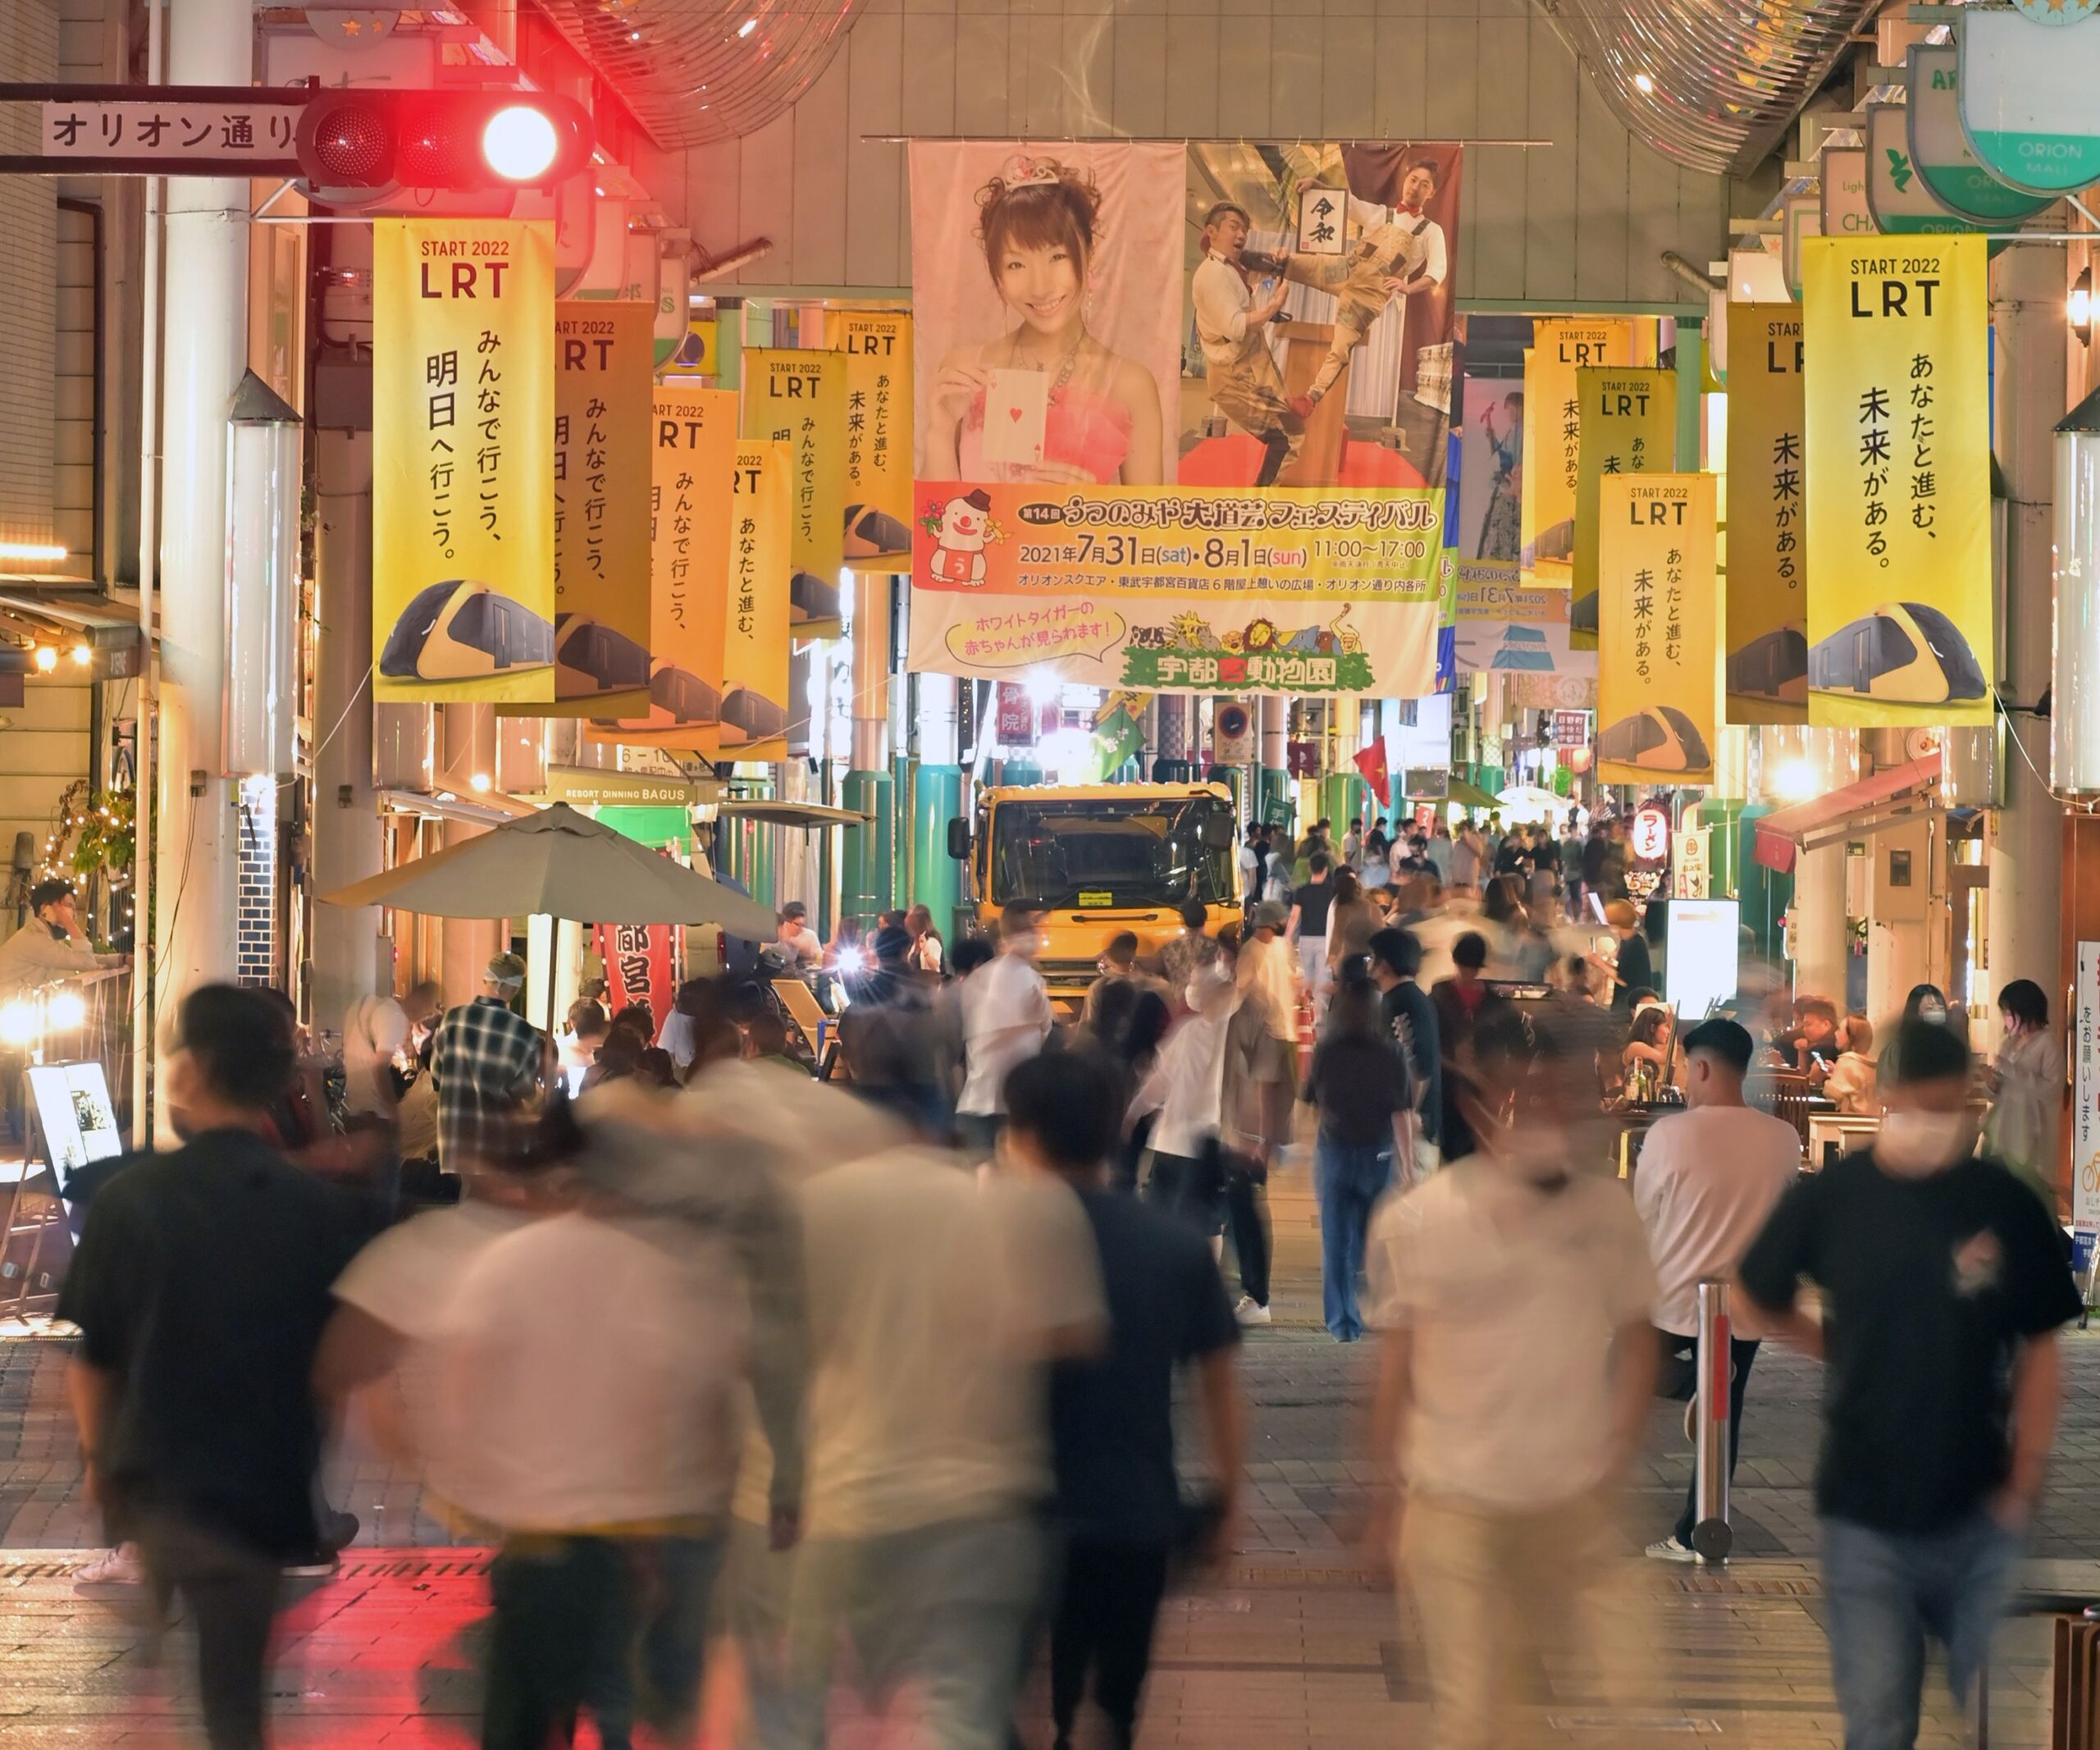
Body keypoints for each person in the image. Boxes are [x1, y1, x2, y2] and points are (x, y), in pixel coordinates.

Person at [1740, 1019, 2081, 1750]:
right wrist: (1831, 1343)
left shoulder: (2004, 1202)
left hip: (1978, 1504)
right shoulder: (1838, 1195)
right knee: (1879, 1718)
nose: (1934, 1123)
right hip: (1864, 1504)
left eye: (1950, 1107)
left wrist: (2023, 1479)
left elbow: (2042, 1344)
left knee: (1993, 1717)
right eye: (1920, 1105)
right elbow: (1754, 1292)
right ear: (1885, 1095)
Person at [61, 985, 361, 1750]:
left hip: (159, 1483)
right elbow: (342, 1355)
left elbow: (92, 1358)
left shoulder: (129, 1198)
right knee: (233, 1700)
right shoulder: (315, 1208)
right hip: (260, 1495)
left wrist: (99, 1461)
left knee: (146, 1681)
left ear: (190, 1071)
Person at [1366, 1006, 1657, 1750]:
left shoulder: (1605, 1212)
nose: (1549, 1115)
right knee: (1475, 1709)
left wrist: (1616, 1450)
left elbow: (1636, 1335)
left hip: (1569, 1499)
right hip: (1454, 1502)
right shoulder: (1421, 1218)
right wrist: (1381, 1496)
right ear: (1480, 1106)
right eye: (1527, 1098)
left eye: (1564, 1097)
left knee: (1627, 1692)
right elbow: (1394, 1367)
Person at [778, 1124, 1107, 1750]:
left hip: (849, 1501)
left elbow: (775, 1349)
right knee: (959, 1709)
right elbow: (1076, 1335)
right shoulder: (1031, 1206)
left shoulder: (821, 1200)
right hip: (981, 1507)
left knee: (813, 1711)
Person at [1006, 1051, 1244, 1750]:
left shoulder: (991, 1237)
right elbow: (1219, 1382)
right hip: (1134, 1508)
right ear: (1116, 1127)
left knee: (1005, 1689)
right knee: (1114, 1698)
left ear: (1020, 1135)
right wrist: (1229, 1499)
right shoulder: (1173, 1245)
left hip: (1015, 1509)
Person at [1631, 1018, 1802, 1563]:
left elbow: (1644, 1213)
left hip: (1675, 1296)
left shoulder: (1668, 1134)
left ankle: (1693, 1386)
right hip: (1746, 1303)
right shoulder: (1783, 1138)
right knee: (1724, 1418)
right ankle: (1694, 1534)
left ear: (1700, 1067)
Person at [925, 153, 1165, 486]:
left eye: (1057, 257)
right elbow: (935, 523)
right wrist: (938, 432)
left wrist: (1093, 510)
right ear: (997, 274)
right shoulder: (965, 372)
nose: (1040, 287)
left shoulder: (1131, 386)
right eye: (1016, 265)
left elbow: (1148, 532)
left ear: (1089, 253)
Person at [1134, 959, 1291, 1323]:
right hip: (1199, 1139)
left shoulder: (1220, 1031)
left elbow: (1161, 1081)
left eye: (1195, 984)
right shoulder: (1202, 1030)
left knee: (1196, 1220)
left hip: (1202, 1141)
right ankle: (1200, 1292)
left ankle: (1201, 1293)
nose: (1190, 991)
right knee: (1208, 1222)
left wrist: (1135, 1110)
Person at [1252, 156, 1449, 417]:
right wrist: (1317, 185)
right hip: (1344, 270)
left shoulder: (1430, 231)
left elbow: (1438, 271)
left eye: (1424, 185)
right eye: (1413, 180)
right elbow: (1348, 204)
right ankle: (1242, 262)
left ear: (1431, 193)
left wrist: (1407, 287)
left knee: (1340, 348)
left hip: (1368, 297)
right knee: (1288, 261)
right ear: (1405, 181)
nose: (1416, 187)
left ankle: (1310, 399)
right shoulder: (1382, 213)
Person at [1304, 970, 1413, 1342]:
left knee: (1335, 1242)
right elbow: (1401, 1112)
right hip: (1378, 1154)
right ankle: (1368, 1310)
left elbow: (1312, 1102)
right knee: (1370, 1241)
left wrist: (1310, 1149)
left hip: (1334, 1150)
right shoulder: (1392, 1051)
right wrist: (1409, 1166)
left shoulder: (1327, 1049)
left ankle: (1342, 1324)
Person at [1189, 202, 1303, 486]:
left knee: (1289, 433)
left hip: (1248, 369)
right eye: (1233, 227)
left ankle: (1262, 499)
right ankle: (1260, 503)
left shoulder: (1231, 268)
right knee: (1289, 438)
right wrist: (1274, 304)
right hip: (1234, 376)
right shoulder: (1213, 274)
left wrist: (1277, 259)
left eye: (1244, 229)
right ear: (1212, 232)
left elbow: (1256, 271)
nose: (1241, 234)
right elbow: (1236, 327)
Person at [430, 953, 547, 1174]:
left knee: (468, 1199)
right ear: (515, 988)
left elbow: (437, 1074)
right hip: (499, 1141)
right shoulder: (522, 1032)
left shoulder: (453, 1018)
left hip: (456, 1137)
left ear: (486, 980)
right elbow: (523, 1089)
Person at [954, 903, 1052, 1159]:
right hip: (1003, 1107)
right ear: (1008, 935)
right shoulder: (1021, 979)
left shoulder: (987, 978)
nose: (1034, 935)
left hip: (990, 1102)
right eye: (1027, 929)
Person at [1984, 978, 2066, 1212]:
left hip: (2025, 1130)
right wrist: (1992, 1084)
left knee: (2029, 1188)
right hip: (1998, 1127)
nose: (2006, 1018)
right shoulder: (2009, 1043)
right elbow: (1996, 1092)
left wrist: (2011, 1071)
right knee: (1994, 1189)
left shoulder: (2047, 1044)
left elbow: (2051, 1091)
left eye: (2009, 1012)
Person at [1367, 927, 1441, 1177]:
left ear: (1384, 965)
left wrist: (1409, 1115)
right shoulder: (1411, 998)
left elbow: (1418, 1065)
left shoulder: (1402, 1002)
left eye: (1372, 958)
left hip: (1413, 1134)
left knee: (1408, 1208)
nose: (1369, 964)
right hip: (1406, 1129)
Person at [1430, 932, 1504, 1163]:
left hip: (1477, 1090)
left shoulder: (1492, 1003)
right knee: (1453, 1153)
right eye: (1465, 966)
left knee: (1476, 1155)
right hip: (1450, 1088)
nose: (1467, 973)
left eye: (1471, 967)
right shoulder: (1440, 996)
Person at [0, 875, 127, 995]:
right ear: (45, 909)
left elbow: (81, 958)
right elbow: (87, 963)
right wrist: (69, 923)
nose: (74, 913)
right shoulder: (34, 939)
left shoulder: (43, 936)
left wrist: (122, 959)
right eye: (69, 906)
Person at [1285, 852, 1336, 1021]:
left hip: (1305, 939)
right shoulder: (1332, 891)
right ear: (1326, 869)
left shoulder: (1301, 891)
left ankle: (1306, 1012)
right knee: (1322, 977)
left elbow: (1294, 917)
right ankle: (1319, 1015)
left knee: (1308, 977)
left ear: (1310, 869)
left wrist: (1287, 937)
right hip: (1325, 940)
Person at [1474, 389, 1523, 561]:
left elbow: (1512, 457)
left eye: (1512, 409)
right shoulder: (1513, 431)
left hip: (1514, 487)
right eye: (1508, 409)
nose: (1509, 413)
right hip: (1505, 485)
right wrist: (1492, 438)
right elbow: (1502, 452)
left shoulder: (1522, 431)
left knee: (1507, 532)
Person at [1324, 866, 1377, 984]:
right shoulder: (1363, 905)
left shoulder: (1337, 905)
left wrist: (1332, 959)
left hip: (1349, 960)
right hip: (1357, 959)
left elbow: (1335, 937)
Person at [1156, 898, 1218, 994]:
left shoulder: (1169, 948)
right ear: (1205, 918)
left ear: (1183, 921)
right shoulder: (1216, 947)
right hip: (1208, 1002)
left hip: (1178, 1003)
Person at [1823, 1013, 1880, 1117]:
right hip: (1873, 1120)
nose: (1836, 1033)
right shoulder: (1873, 1064)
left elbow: (1832, 1092)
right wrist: (1836, 1073)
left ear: (1850, 1037)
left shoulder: (1846, 1061)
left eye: (1840, 1030)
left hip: (1851, 1121)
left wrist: (1828, 1082)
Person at [1605, 899, 1652, 1013]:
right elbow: (1622, 970)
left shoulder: (1635, 944)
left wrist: (1598, 962)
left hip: (1630, 1007)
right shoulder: (1627, 941)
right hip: (1625, 1004)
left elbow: (1623, 980)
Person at [775, 902, 822, 969]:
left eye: (802, 925)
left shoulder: (809, 936)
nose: (800, 928)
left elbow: (818, 957)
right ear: (786, 922)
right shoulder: (776, 934)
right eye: (797, 924)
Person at [904, 903, 945, 977]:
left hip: (928, 985)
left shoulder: (932, 941)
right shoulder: (913, 941)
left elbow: (936, 967)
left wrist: (926, 952)